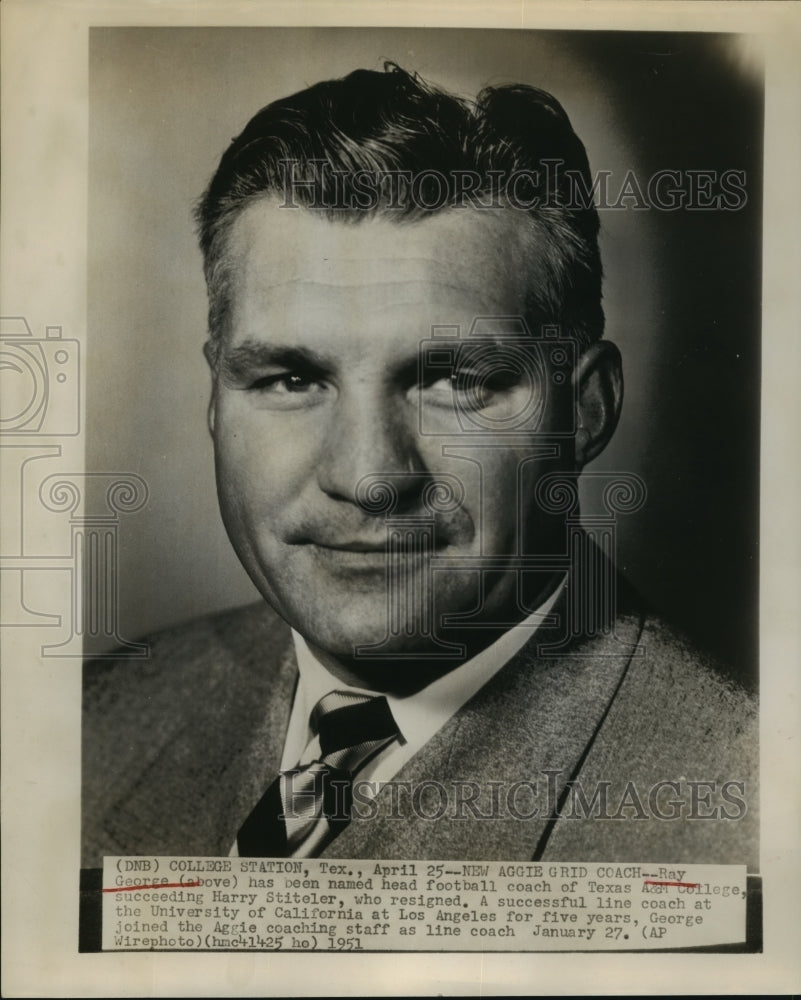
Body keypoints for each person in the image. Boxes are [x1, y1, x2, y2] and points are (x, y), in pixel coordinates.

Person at [82, 64, 757, 868]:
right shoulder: (94, 722)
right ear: (216, 398)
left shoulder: (743, 804)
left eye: (452, 380)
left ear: (584, 411)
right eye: (292, 379)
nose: (368, 475)